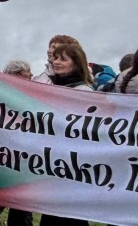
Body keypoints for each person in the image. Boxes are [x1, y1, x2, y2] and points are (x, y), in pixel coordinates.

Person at [38, 42, 94, 226]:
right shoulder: (50, 88)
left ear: (77, 63)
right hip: (53, 164)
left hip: (74, 168)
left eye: (63, 59)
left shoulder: (84, 92)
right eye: (55, 58)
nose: (56, 62)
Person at [0, 61, 32, 226]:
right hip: (6, 153)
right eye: (27, 73)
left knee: (24, 198)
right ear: (16, 74)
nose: (31, 76)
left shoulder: (32, 95)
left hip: (24, 154)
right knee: (4, 195)